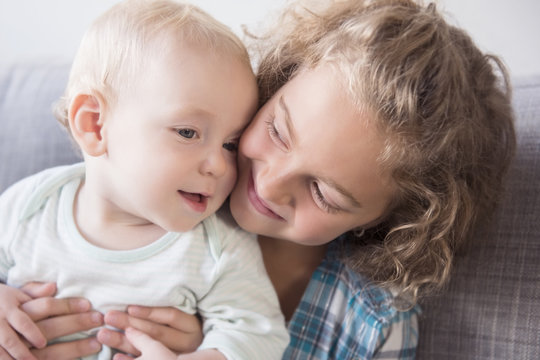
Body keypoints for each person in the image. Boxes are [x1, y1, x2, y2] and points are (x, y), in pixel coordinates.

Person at [0, 0, 516, 359]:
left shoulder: (370, 324)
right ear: (277, 81)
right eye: (277, 130)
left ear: (389, 223)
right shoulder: (103, 189)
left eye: (324, 193)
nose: (267, 184)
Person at [0, 0, 290, 359]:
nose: (218, 164)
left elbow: (259, 335)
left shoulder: (217, 247)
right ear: (94, 125)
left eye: (230, 144)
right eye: (187, 132)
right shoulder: (28, 207)